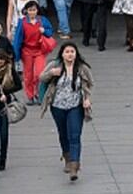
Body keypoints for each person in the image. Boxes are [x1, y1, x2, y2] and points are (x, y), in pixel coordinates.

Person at [40, 42, 93, 181]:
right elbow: (41, 77)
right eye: (67, 52)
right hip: (57, 106)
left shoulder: (82, 68)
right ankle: (67, 157)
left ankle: (75, 166)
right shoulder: (55, 65)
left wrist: (87, 98)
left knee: (74, 135)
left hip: (75, 106)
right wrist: (51, 73)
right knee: (63, 133)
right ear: (62, 54)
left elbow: (89, 84)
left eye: (72, 52)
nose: (70, 54)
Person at [11, 1, 54, 104]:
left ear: (37, 10)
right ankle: (30, 96)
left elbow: (50, 32)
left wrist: (44, 31)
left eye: (34, 10)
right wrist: (15, 55)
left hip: (39, 50)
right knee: (28, 75)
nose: (32, 12)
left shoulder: (42, 20)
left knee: (39, 74)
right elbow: (17, 39)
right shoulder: (22, 22)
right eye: (30, 10)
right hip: (27, 51)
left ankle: (38, 94)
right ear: (26, 11)